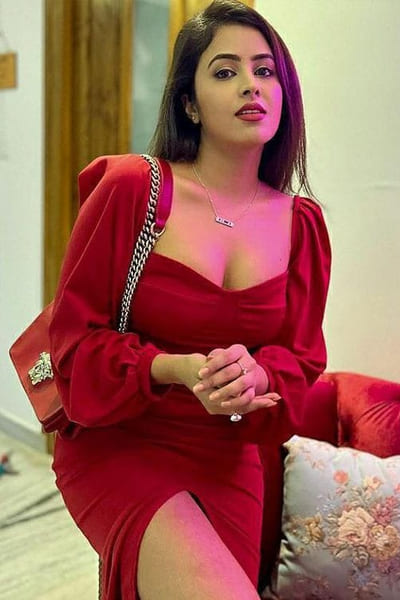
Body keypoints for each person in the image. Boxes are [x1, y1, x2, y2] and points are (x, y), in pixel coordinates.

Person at [49, 1, 331, 598]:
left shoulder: (302, 225)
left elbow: (301, 361)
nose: (250, 85)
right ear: (190, 104)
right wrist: (175, 369)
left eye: (265, 70)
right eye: (225, 72)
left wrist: (256, 374)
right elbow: (73, 345)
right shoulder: (133, 188)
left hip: (228, 455)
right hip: (123, 441)